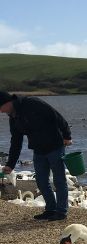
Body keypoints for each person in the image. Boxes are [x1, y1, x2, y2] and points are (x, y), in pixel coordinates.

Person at [0, 91, 72, 221]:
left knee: (59, 179)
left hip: (55, 145)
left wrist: (67, 136)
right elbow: (16, 141)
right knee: (41, 181)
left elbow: (56, 116)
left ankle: (61, 212)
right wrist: (10, 164)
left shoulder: (33, 103)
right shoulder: (13, 117)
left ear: (7, 102)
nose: (0, 111)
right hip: (38, 150)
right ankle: (50, 209)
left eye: (0, 107)